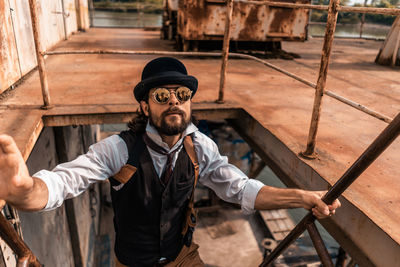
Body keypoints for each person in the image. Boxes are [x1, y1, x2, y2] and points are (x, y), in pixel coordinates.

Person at [0, 57, 340, 267]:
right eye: (162, 96)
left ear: (190, 103)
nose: (174, 101)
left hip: (181, 257)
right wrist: (25, 191)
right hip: (132, 262)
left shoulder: (199, 148)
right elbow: (66, 181)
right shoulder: (119, 150)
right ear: (146, 107)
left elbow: (241, 189)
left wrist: (302, 197)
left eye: (182, 94)